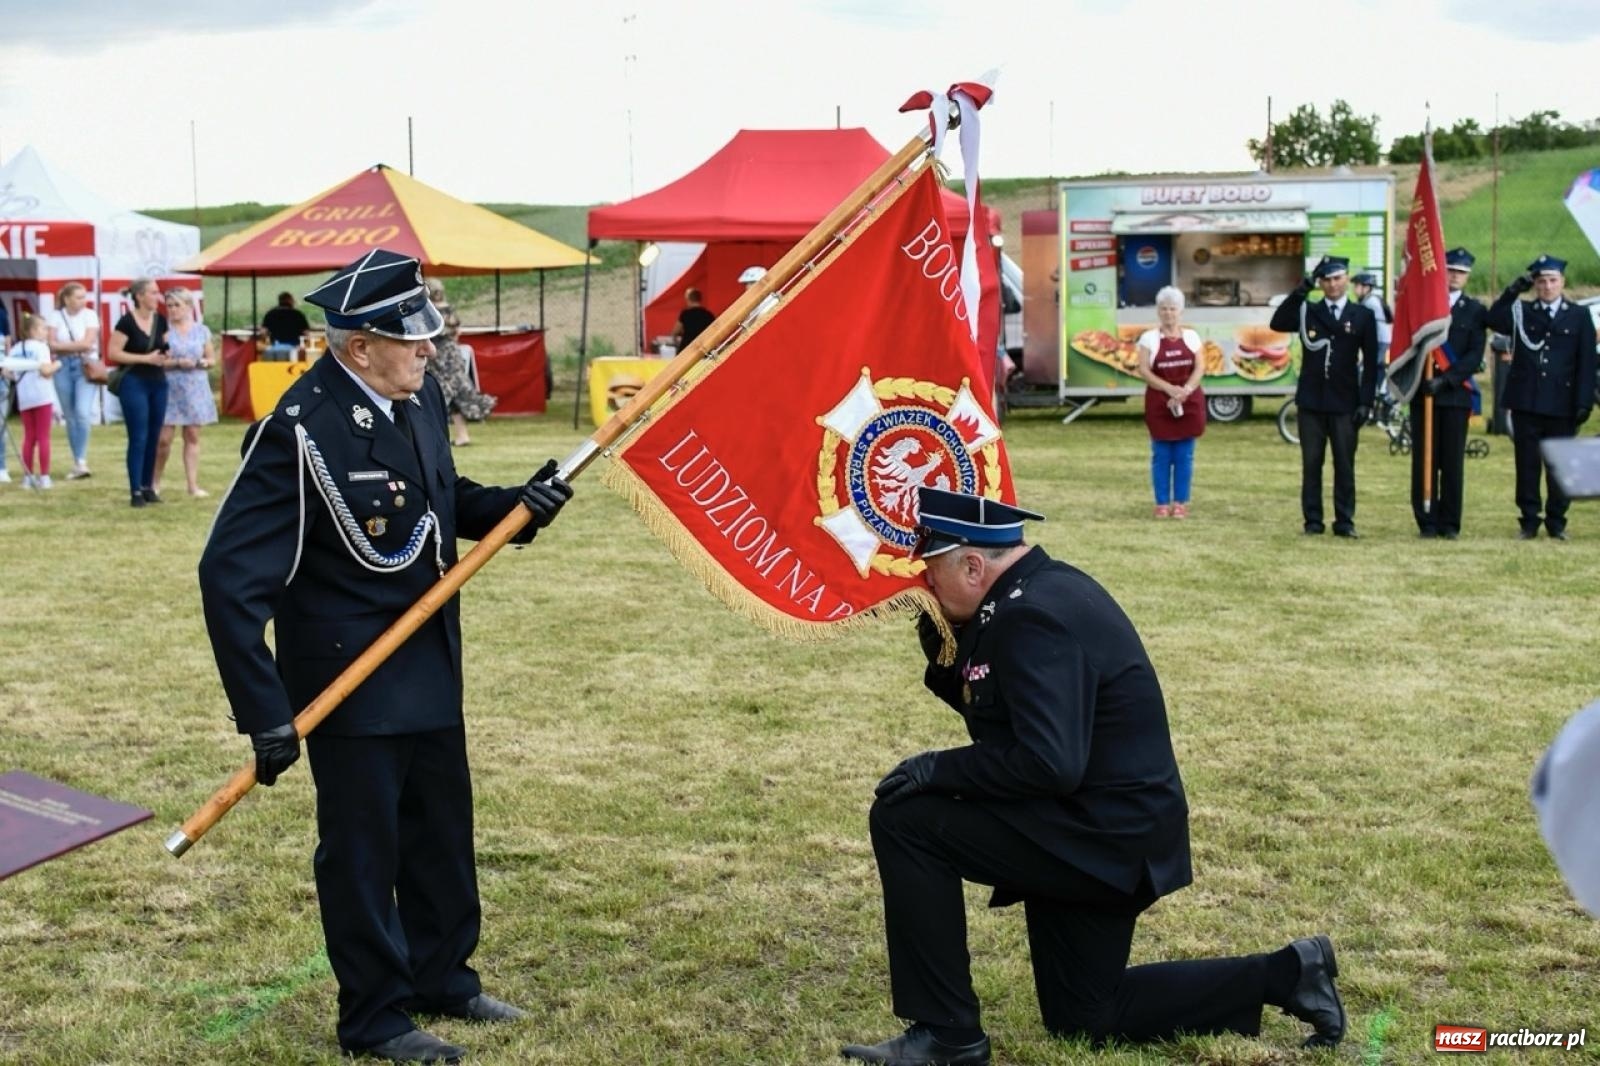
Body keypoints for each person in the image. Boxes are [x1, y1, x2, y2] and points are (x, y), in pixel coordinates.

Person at [198, 249, 573, 1065]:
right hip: (349, 682)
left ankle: (446, 976)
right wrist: (265, 712)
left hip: (429, 661)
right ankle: (375, 1017)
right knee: (364, 853)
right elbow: (229, 579)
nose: (430, 350)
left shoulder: (418, 397)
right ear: (358, 347)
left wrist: (519, 506)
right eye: (411, 339)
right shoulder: (298, 431)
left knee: (441, 831)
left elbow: (438, 499)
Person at [841, 487, 1346, 1065]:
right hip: (1107, 828)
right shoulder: (1037, 590)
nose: (924, 587)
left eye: (931, 574)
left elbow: (1046, 762)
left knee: (906, 819)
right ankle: (1290, 974)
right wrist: (943, 652)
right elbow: (1012, 718)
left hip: (1099, 837)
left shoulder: (1029, 615)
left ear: (974, 564)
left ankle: (947, 1035)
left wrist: (935, 768)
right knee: (1086, 1018)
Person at [1487, 254, 1598, 540]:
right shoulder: (1522, 311)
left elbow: (1587, 362)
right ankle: (1529, 519)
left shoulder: (1578, 316)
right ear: (1534, 284)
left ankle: (1557, 520)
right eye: (1541, 282)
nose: (1547, 286)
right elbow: (1494, 320)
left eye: (1552, 280)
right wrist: (1513, 290)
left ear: (1562, 282)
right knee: (1527, 464)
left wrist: (1584, 401)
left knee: (1561, 465)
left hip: (1562, 403)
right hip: (1528, 401)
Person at [1270, 255, 1379, 538]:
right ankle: (1313, 521)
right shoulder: (1309, 310)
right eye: (1326, 280)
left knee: (1344, 464)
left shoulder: (1362, 315)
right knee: (1312, 464)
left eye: (1337, 278)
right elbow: (1278, 321)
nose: (1332, 285)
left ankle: (1345, 520)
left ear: (1347, 279)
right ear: (1320, 282)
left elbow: (1370, 363)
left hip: (1345, 401)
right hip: (1312, 401)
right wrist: (1303, 288)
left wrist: (1367, 401)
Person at [1412, 248, 1487, 539]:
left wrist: (1446, 381)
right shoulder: (1424, 305)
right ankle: (1426, 521)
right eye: (1450, 270)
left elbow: (1473, 355)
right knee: (1424, 461)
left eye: (1461, 272)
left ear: (1467, 276)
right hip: (1424, 394)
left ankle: (1450, 523)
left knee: (1452, 462)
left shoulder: (1475, 310)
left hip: (1455, 396)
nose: (1455, 276)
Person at [1135, 286, 1205, 519]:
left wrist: (1186, 389)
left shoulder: (1192, 337)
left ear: (1181, 311)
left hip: (1189, 402)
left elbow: (1200, 367)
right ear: (1158, 311)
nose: (1168, 313)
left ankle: (1180, 503)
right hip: (1159, 403)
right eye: (1164, 309)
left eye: (1173, 309)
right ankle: (1162, 503)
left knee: (1185, 456)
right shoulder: (1149, 339)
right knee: (1161, 455)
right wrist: (1168, 389)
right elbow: (1144, 369)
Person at [107, 278, 172, 507]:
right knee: (138, 436)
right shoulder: (126, 322)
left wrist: (167, 356)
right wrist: (145, 358)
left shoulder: (160, 321)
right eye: (153, 293)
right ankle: (135, 490)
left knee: (154, 436)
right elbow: (113, 352)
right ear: (140, 296)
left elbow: (164, 346)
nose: (158, 297)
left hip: (158, 381)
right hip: (134, 381)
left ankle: (148, 486)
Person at [153, 287, 218, 498]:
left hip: (195, 386)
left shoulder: (201, 331)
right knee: (164, 438)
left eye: (177, 305)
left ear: (188, 307)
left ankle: (192, 484)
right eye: (169, 306)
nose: (172, 310)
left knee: (192, 435)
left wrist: (201, 362)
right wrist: (177, 362)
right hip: (169, 386)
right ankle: (154, 482)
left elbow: (212, 359)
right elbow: (157, 360)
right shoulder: (162, 331)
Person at [48, 281, 103, 479]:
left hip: (85, 366)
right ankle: (78, 459)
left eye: (84, 296)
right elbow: (52, 344)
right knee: (70, 415)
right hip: (62, 366)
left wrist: (66, 345)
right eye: (78, 297)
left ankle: (81, 460)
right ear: (67, 299)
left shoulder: (90, 315)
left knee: (82, 411)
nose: (83, 300)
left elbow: (89, 342)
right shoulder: (55, 316)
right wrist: (77, 346)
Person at [423, 302, 496, 447]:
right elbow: (457, 330)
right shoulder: (446, 310)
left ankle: (456, 435)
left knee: (443, 394)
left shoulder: (430, 310)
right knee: (455, 393)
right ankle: (462, 435)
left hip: (441, 355)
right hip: (448, 353)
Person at [5, 314, 60, 489]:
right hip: (42, 395)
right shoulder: (41, 347)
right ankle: (44, 476)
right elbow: (45, 371)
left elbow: (9, 373)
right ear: (33, 330)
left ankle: (28, 477)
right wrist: (57, 365)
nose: (45, 332)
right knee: (43, 437)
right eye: (43, 328)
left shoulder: (15, 349)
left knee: (29, 437)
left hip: (24, 397)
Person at [1351, 273, 1391, 396]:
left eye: (1357, 286)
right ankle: (1384, 394)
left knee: (1366, 367)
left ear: (1366, 288)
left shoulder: (1370, 302)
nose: (1354, 289)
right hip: (1381, 339)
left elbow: (1358, 320)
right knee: (1377, 367)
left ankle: (1383, 395)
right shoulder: (1369, 299)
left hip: (1380, 340)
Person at [260, 291, 311, 360]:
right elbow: (306, 333)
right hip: (294, 347)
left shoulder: (270, 314)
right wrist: (305, 343)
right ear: (289, 300)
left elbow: (263, 332)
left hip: (275, 347)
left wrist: (266, 341)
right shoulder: (298, 314)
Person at [671, 287, 715, 351]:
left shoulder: (685, 314)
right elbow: (714, 332)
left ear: (688, 299)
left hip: (686, 348)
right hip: (703, 349)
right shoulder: (708, 314)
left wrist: (676, 343)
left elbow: (675, 332)